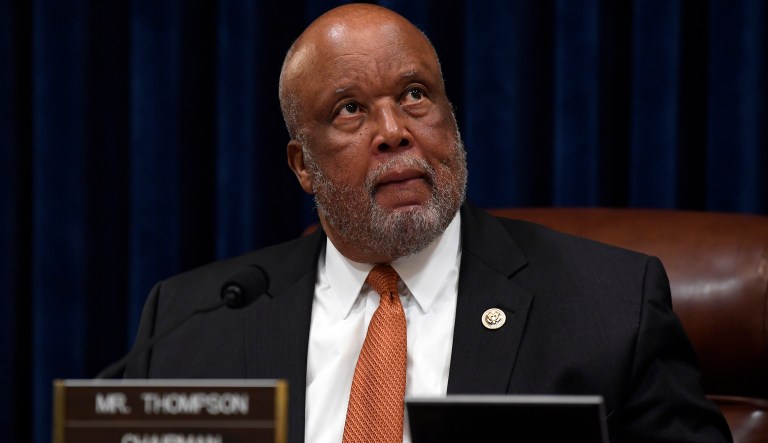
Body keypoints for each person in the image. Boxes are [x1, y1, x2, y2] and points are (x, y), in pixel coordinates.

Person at [125, 4, 732, 443]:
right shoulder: (189, 324)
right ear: (302, 165)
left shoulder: (609, 308)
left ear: (451, 115)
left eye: (416, 94)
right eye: (350, 109)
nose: (394, 130)